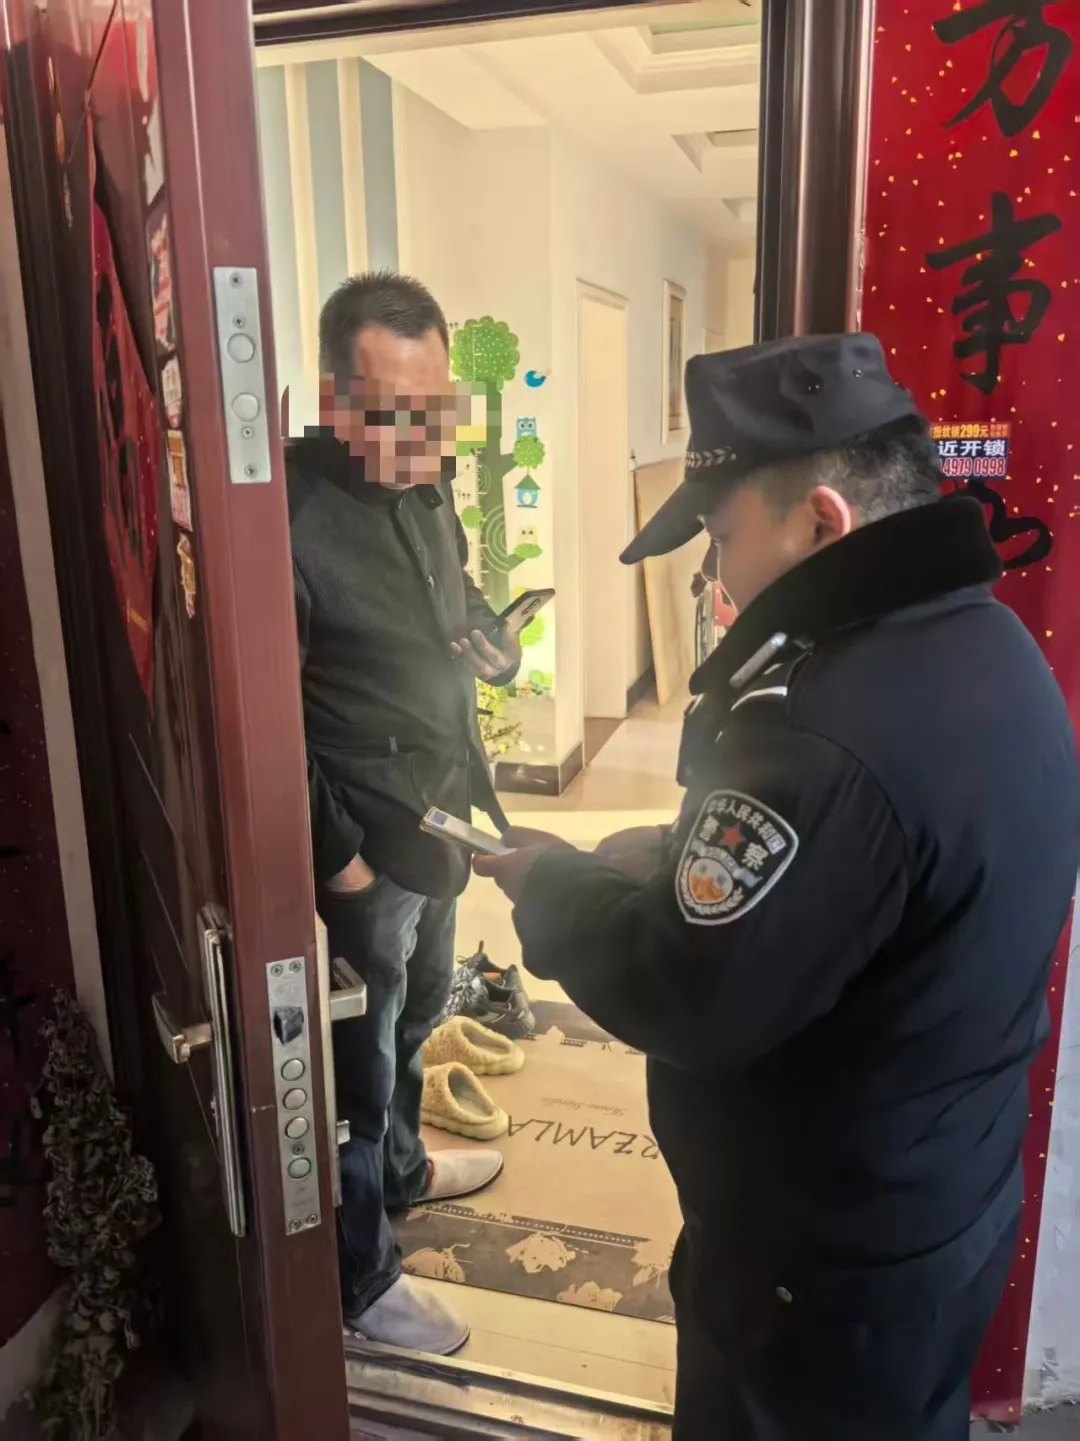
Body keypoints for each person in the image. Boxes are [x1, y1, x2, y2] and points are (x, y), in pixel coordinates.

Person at [474, 333, 1079, 1439]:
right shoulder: (987, 645)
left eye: (719, 536)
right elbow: (871, 892)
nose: (713, 578)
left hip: (817, 1271)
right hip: (938, 1201)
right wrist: (669, 857)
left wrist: (549, 882)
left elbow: (691, 994)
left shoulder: (821, 728)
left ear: (822, 522)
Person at [286, 271, 521, 1354]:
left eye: (437, 410)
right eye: (396, 414)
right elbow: (265, 715)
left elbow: (456, 600)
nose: (425, 439)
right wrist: (339, 860)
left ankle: (408, 1169)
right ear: (336, 402)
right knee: (361, 1065)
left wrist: (493, 637)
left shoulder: (425, 485)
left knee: (421, 1014)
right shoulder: (286, 518)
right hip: (364, 842)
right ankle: (362, 1275)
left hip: (441, 816)